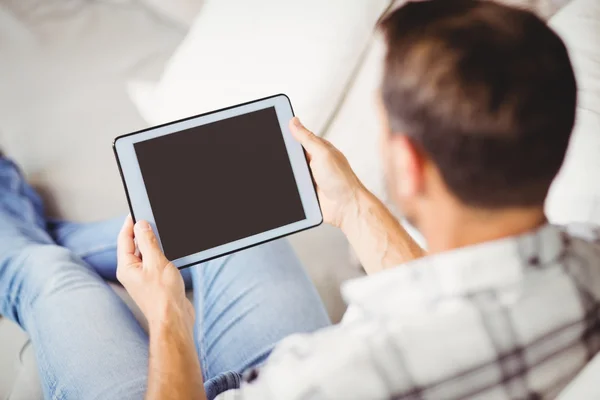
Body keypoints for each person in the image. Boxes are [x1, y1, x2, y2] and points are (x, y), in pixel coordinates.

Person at [1, 0, 598, 399]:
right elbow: (449, 296)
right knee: (227, 230)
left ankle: (22, 226)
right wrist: (354, 203)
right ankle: (67, 228)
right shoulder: (589, 259)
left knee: (49, 276)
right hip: (283, 365)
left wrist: (168, 317)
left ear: (409, 165)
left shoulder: (339, 375)